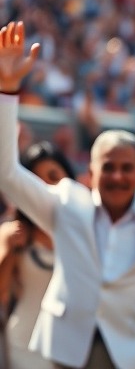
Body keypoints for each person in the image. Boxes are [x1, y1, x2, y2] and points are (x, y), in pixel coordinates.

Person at [0, 21, 135, 369]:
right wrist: (7, 90)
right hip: (65, 351)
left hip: (132, 356)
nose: (117, 176)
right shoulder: (66, 203)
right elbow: (7, 174)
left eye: (126, 168)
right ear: (92, 170)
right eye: (109, 167)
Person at [0, 142, 74, 369]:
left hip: (70, 348)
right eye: (35, 180)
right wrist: (7, 248)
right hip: (24, 345)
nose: (44, 188)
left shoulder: (82, 232)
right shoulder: (14, 233)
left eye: (53, 177)